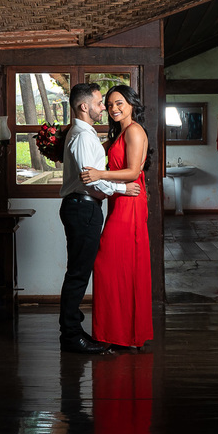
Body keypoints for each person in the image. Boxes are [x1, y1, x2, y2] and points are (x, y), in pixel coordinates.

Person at [57, 83, 141, 354]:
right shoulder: (83, 136)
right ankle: (71, 335)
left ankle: (79, 329)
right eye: (99, 103)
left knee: (81, 271)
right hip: (83, 207)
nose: (105, 107)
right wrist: (121, 188)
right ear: (84, 107)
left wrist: (112, 182)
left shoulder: (90, 134)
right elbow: (90, 179)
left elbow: (97, 175)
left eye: (116, 103)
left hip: (87, 207)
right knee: (79, 273)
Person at [81, 85, 154, 351]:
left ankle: (120, 334)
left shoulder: (134, 130)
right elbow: (93, 155)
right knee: (115, 266)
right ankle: (116, 333)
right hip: (119, 201)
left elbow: (133, 172)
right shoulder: (118, 134)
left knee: (110, 263)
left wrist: (101, 175)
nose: (113, 108)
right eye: (109, 104)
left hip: (130, 202)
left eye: (119, 103)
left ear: (132, 103)